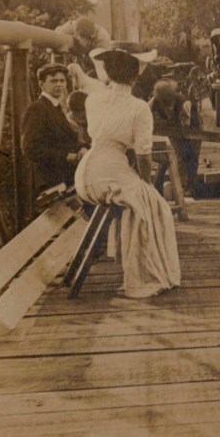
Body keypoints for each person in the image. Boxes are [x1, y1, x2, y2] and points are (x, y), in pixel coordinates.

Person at [73, 47, 181, 299]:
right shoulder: (139, 107)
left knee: (142, 200)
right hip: (109, 172)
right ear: (135, 76)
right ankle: (145, 276)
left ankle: (137, 269)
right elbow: (143, 155)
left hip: (86, 173)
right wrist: (148, 184)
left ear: (108, 72)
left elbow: (104, 134)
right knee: (154, 205)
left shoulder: (93, 99)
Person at [21, 63, 87, 193]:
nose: (59, 85)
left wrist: (82, 148)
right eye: (53, 81)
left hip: (63, 178)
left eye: (62, 81)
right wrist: (66, 156)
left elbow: (66, 138)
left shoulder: (55, 108)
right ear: (41, 84)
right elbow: (30, 148)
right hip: (49, 182)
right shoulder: (37, 109)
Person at [148, 79, 202, 198]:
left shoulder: (184, 102)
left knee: (192, 158)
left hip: (193, 131)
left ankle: (191, 188)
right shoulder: (154, 102)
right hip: (174, 132)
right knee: (180, 157)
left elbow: (186, 124)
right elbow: (146, 117)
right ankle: (182, 188)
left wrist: (167, 125)